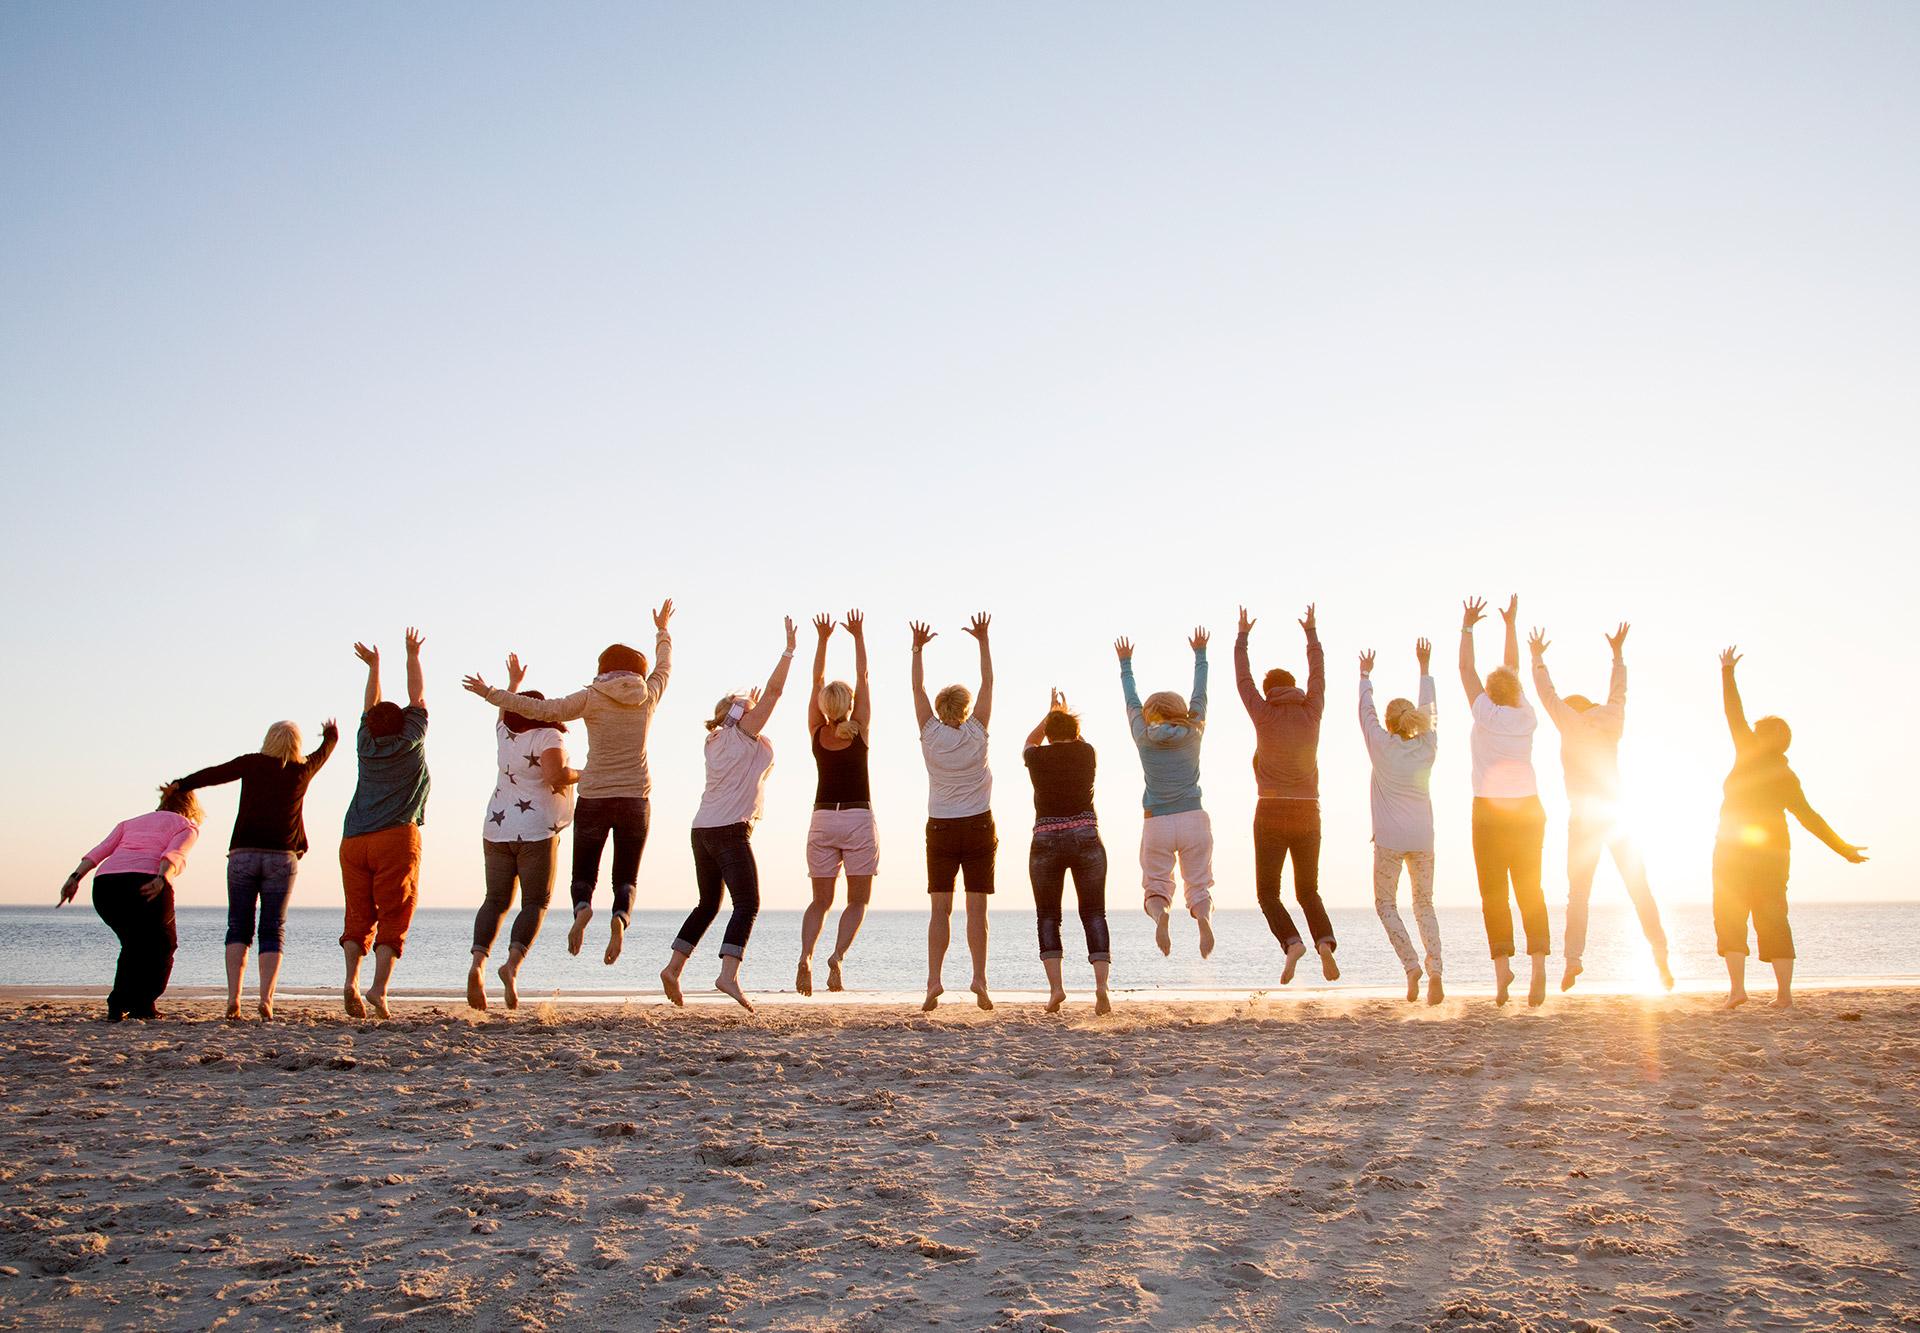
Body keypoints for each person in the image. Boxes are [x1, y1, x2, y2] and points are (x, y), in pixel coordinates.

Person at [465, 601, 673, 968]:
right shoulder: (649, 695)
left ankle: (582, 910)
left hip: (593, 795)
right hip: (635, 798)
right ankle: (620, 919)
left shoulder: (592, 697)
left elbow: (543, 711)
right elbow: (665, 665)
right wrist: (662, 630)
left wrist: (492, 693)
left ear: (603, 669)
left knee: (584, 873)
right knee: (626, 875)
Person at [1714, 647, 1867, 1009]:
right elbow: (1809, 818)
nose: (1749, 731)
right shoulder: (1787, 776)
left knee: (1730, 914)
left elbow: (1732, 712)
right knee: (1773, 917)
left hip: (1733, 849)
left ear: (1761, 736)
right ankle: (1784, 996)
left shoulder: (1747, 752)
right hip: (1774, 853)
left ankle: (1738, 991)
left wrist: (1727, 671)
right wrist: (1842, 849)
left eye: (1755, 730)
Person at [660, 617, 796, 1013]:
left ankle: (673, 968)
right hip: (728, 831)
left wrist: (741, 705)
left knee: (708, 903)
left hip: (701, 829)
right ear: (739, 716)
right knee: (747, 903)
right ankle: (728, 975)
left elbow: (744, 715)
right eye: (749, 711)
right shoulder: (739, 734)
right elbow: (774, 692)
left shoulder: (715, 739)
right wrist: (788, 651)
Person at [1530, 622, 1672, 992]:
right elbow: (1619, 692)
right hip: (1618, 815)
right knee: (1638, 885)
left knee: (1579, 893)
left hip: (1584, 819)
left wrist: (1537, 657)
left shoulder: (1569, 723)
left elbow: (1548, 695)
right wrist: (1618, 654)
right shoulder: (1612, 720)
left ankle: (1573, 961)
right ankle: (1660, 953)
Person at [172, 717, 339, 1020]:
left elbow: (215, 774)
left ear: (268, 740)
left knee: (238, 926)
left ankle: (233, 997)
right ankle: (266, 1000)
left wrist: (182, 784)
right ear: (296, 745)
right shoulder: (302, 770)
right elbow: (326, 750)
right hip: (281, 859)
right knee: (273, 928)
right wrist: (330, 733)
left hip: (243, 855)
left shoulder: (251, 763)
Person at [465, 653, 577, 1012]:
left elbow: (502, 710)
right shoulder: (548, 736)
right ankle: (511, 967)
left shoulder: (505, 733)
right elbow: (555, 776)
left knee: (495, 900)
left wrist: (510, 683)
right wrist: (584, 774)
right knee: (535, 902)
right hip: (536, 831)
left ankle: (476, 965)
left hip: (497, 828)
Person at [1235, 603, 1334, 983]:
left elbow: (1242, 681)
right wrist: (1311, 634)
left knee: (1268, 893)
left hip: (1271, 810)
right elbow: (1319, 674)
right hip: (1309, 810)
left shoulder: (1263, 712)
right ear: (1294, 686)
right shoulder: (1312, 709)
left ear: (1268, 691)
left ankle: (1292, 942)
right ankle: (1324, 942)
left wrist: (1242, 637)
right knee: (1309, 890)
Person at [1459, 595, 1548, 1006]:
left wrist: (1467, 627)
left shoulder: (1485, 713)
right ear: (1517, 692)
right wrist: (1511, 625)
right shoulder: (1526, 714)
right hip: (1528, 807)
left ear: (1490, 693)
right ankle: (1540, 968)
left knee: (1493, 891)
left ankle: (1502, 971)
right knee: (1530, 887)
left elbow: (1465, 669)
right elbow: (1510, 670)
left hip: (1489, 809)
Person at [340, 629, 430, 1019]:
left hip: (353, 839)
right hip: (396, 835)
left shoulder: (365, 743)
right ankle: (378, 989)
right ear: (404, 724)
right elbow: (418, 698)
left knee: (358, 912)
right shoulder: (411, 739)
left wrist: (374, 667)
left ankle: (349, 982)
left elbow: (369, 705)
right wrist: (411, 655)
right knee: (396, 911)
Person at [57, 784, 202, 1021]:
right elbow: (175, 853)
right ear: (190, 806)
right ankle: (143, 1004)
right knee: (164, 945)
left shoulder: (130, 823)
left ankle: (119, 1004)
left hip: (106, 886)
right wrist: (162, 877)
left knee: (133, 944)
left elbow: (99, 851)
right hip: (146, 882)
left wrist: (74, 878)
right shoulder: (187, 826)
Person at [912, 613, 996, 1012]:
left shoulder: (929, 733)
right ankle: (979, 978)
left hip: (941, 827)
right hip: (978, 825)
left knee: (940, 909)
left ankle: (933, 981)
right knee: (976, 909)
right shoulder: (977, 730)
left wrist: (917, 648)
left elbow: (917, 687)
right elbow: (989, 683)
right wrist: (983, 640)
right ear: (964, 708)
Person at [1117, 628, 1216, 959]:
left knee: (1155, 888)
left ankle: (1162, 916)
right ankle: (1203, 918)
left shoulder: (1142, 736)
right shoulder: (1195, 732)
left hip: (1157, 822)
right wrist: (1200, 654)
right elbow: (1200, 696)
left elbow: (1131, 702)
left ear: (1149, 715)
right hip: (1193, 817)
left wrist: (1125, 664)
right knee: (1198, 887)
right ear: (1181, 711)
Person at [1359, 639, 1444, 1004]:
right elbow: (1431, 709)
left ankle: (1411, 967)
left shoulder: (1381, 746)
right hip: (1423, 838)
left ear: (1389, 724)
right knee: (1424, 904)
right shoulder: (1428, 745)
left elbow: (1366, 714)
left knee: (1386, 905)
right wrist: (1424, 669)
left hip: (1391, 841)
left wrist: (1365, 677)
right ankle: (1436, 970)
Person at [797, 610, 876, 995]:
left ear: (825, 705)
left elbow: (814, 680)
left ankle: (806, 956)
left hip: (823, 818)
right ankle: (837, 957)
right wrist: (858, 636)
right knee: (857, 900)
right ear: (848, 703)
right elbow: (863, 678)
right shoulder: (858, 731)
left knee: (819, 902)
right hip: (858, 817)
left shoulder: (817, 733)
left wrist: (823, 639)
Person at [1023, 690, 1112, 1013]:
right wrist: (1060, 714)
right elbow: (1077, 738)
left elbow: (1030, 741)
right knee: (1094, 913)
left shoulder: (1036, 757)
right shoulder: (1087, 752)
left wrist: (1048, 715)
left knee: (1048, 915)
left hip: (1046, 838)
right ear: (1075, 734)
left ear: (1049, 733)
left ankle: (1057, 989)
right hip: (1086, 835)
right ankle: (1101, 988)